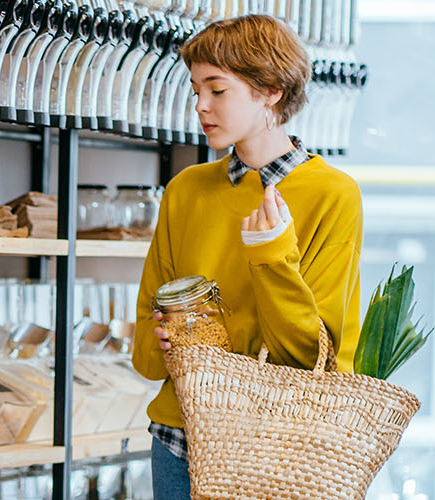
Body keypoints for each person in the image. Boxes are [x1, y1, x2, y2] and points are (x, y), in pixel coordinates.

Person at [131, 14, 364, 500]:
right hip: (178, 440)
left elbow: (310, 356)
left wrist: (271, 255)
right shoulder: (186, 189)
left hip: (273, 448)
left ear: (271, 90)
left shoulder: (332, 195)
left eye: (217, 90)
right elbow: (148, 351)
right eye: (196, 90)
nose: (200, 106)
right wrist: (164, 336)